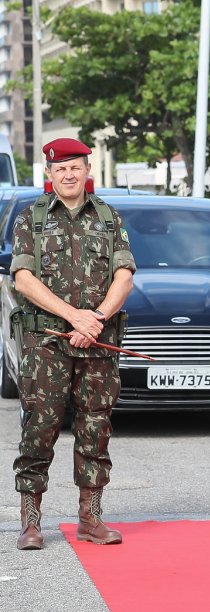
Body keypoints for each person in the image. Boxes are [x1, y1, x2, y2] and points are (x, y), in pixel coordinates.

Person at [12, 138, 135, 550]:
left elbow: (124, 276)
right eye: (60, 168)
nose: (68, 174)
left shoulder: (109, 218)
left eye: (75, 167)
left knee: (95, 427)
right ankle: (31, 522)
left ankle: (91, 518)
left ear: (87, 170)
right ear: (49, 174)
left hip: (97, 342)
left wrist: (96, 319)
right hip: (47, 342)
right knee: (40, 427)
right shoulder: (31, 219)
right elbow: (23, 279)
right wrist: (73, 316)